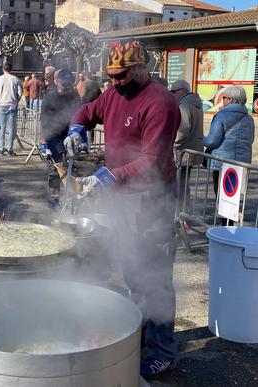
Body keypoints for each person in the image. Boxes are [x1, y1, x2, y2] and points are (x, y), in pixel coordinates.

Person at [65, 40, 181, 379]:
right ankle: (144, 331)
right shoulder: (114, 94)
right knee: (132, 267)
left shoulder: (160, 103)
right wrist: (76, 128)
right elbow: (87, 111)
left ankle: (163, 351)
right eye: (111, 76)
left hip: (151, 197)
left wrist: (108, 175)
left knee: (155, 274)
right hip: (123, 195)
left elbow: (153, 160)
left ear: (140, 67)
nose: (114, 82)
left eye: (121, 75)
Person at [203, 85, 255, 215]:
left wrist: (200, 138)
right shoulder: (249, 119)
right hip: (240, 163)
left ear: (231, 99)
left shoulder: (221, 116)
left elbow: (212, 141)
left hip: (221, 162)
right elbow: (251, 140)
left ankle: (224, 225)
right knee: (233, 195)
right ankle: (231, 221)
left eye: (224, 98)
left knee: (221, 193)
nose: (222, 101)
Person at [40, 69, 82, 203]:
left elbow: (80, 115)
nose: (68, 85)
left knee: (72, 170)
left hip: (70, 136)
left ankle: (71, 200)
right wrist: (44, 143)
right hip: (53, 137)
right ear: (57, 81)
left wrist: (80, 135)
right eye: (64, 82)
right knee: (55, 170)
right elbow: (44, 120)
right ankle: (54, 200)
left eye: (69, 82)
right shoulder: (50, 96)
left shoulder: (74, 95)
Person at [171, 79, 204, 212]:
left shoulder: (184, 106)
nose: (172, 94)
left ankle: (182, 214)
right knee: (184, 185)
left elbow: (182, 131)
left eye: (173, 91)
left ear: (182, 91)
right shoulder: (195, 104)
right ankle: (185, 213)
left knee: (180, 186)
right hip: (191, 151)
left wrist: (171, 144)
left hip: (183, 152)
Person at [0, 62, 23, 156]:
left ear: (3, 69)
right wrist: (16, 101)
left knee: (2, 128)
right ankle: (10, 149)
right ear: (11, 69)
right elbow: (20, 92)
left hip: (2, 104)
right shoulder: (15, 79)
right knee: (11, 128)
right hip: (12, 105)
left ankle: (1, 149)